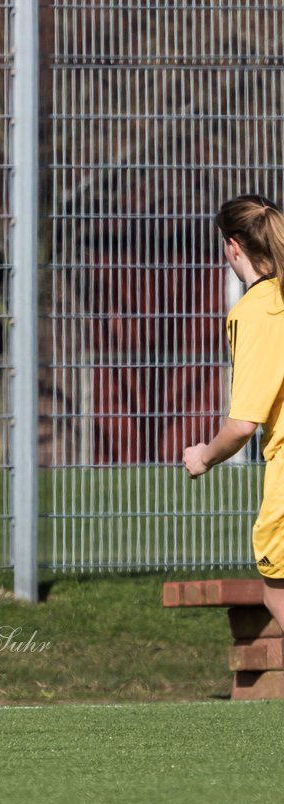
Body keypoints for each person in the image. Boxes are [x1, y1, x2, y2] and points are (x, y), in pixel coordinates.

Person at [183, 194, 284, 636]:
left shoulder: (258, 310)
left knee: (276, 588)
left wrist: (204, 456)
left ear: (233, 247)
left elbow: (242, 425)